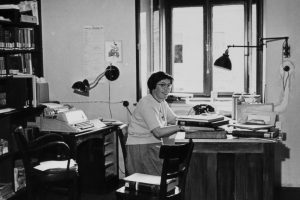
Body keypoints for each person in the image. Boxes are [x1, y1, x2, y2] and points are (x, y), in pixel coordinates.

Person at [125, 71, 185, 176]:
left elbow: (173, 119)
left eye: (169, 85)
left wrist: (195, 121)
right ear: (153, 86)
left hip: (153, 144)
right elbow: (158, 132)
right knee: (155, 181)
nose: (167, 89)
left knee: (159, 178)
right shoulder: (147, 103)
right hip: (140, 147)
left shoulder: (161, 101)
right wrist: (180, 127)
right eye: (162, 85)